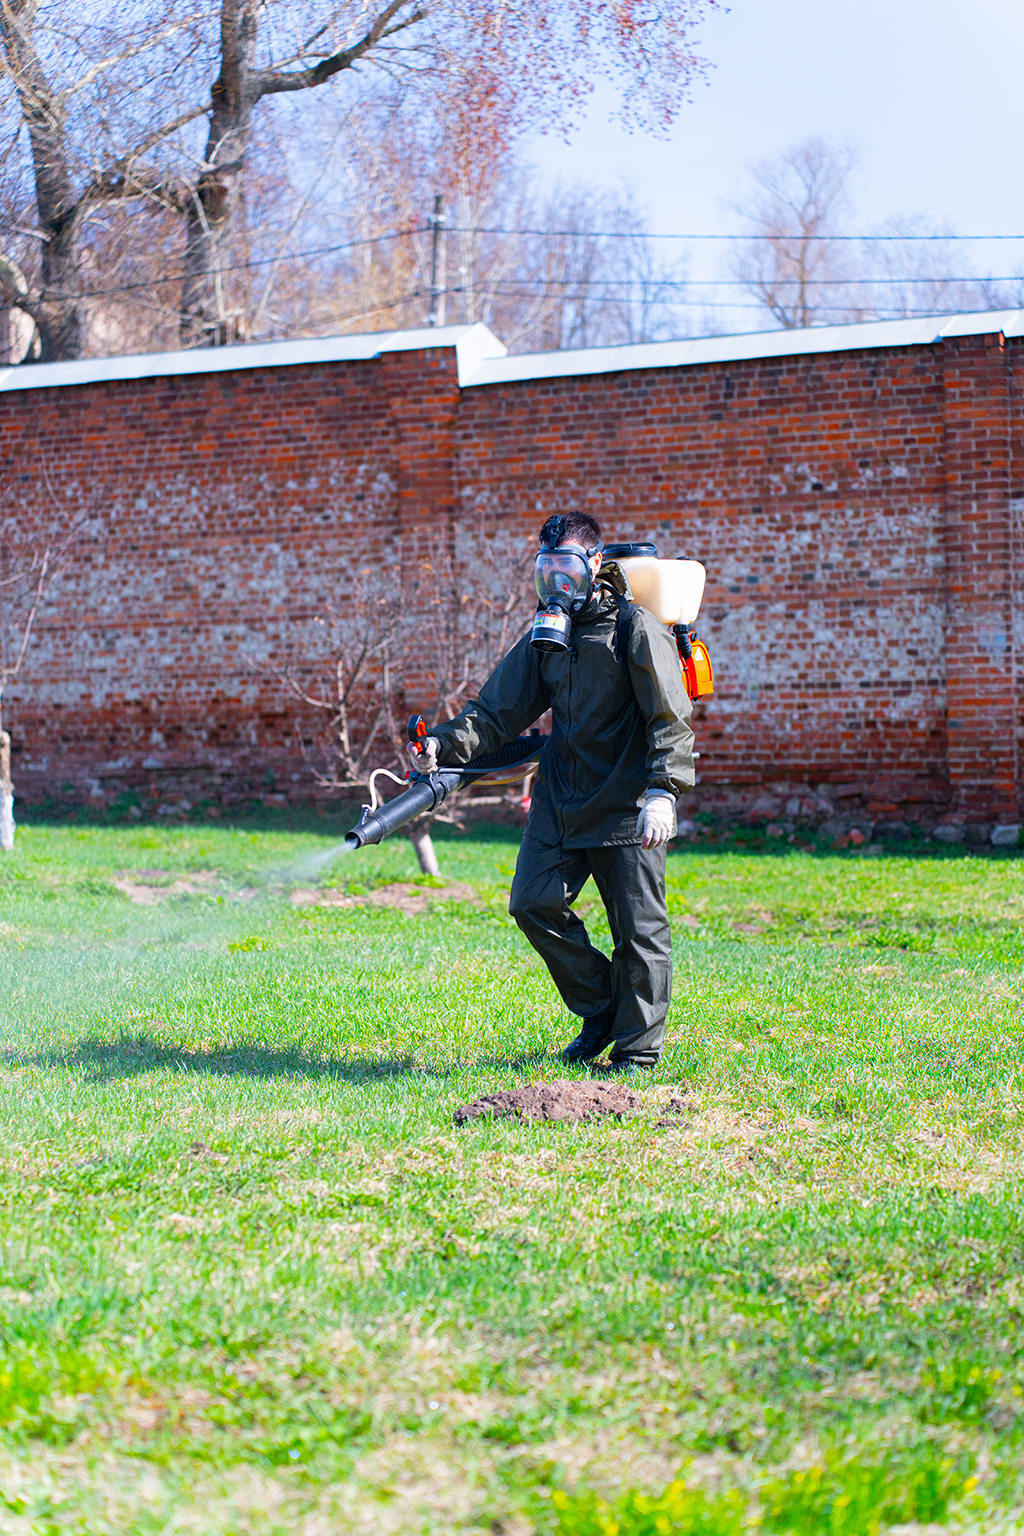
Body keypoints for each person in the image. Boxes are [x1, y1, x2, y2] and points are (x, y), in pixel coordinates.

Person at [408, 511, 694, 1073]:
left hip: (627, 805)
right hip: (561, 800)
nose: (554, 582)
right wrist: (443, 744)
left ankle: (636, 1052)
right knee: (532, 902)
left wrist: (663, 790)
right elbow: (496, 712)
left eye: (564, 567)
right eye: (545, 569)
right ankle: (603, 1010)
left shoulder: (634, 629)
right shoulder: (548, 634)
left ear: (593, 563)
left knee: (638, 932)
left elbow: (671, 717)